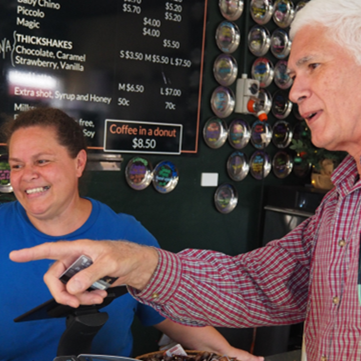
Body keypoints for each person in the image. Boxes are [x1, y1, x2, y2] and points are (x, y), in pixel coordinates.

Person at [9, 0, 361, 360]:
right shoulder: (342, 203)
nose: (294, 91)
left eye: (313, 66)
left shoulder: (121, 225)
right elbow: (256, 285)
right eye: (15, 164)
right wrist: (135, 263)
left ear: (79, 163)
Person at [1, 107, 263, 361]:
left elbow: (170, 316)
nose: (27, 176)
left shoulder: (127, 236)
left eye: (42, 161)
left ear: (79, 162)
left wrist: (228, 354)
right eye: (16, 165)